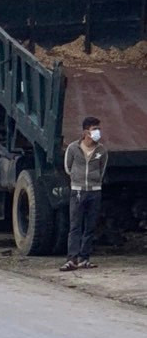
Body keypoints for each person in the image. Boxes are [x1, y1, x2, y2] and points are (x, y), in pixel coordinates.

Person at [60, 116, 108, 271]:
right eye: (95, 129)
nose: (97, 132)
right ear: (86, 131)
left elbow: (102, 170)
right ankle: (71, 259)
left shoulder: (101, 150)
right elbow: (68, 168)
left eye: (98, 129)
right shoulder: (73, 148)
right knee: (75, 226)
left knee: (90, 226)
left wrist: (95, 183)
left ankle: (84, 258)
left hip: (94, 192)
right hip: (78, 191)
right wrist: (77, 181)